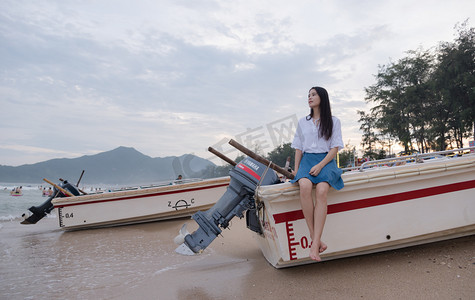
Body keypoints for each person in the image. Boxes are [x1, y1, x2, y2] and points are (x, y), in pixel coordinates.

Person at [291, 86, 344, 261]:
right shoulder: (302, 122)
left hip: (326, 160)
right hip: (307, 160)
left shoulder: (334, 121)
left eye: (313, 94)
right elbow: (298, 148)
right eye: (308, 95)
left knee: (321, 190)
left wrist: (321, 165)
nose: (310, 97)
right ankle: (317, 240)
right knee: (304, 186)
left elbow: (335, 148)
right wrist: (297, 170)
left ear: (322, 97)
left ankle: (314, 245)